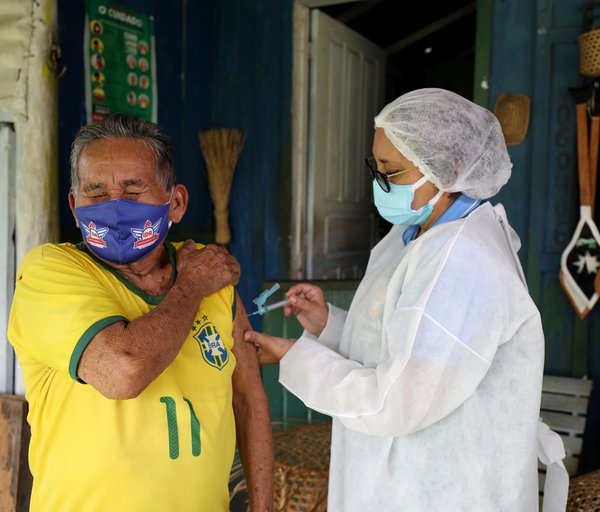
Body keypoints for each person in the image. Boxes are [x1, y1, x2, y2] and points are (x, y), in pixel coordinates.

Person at [247, 88, 568, 511]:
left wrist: (297, 357)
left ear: (448, 170)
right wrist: (329, 324)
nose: (379, 182)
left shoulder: (463, 263)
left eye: (392, 171)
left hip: (445, 489)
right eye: (375, 166)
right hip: (402, 478)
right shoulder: (413, 235)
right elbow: (403, 341)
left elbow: (399, 399)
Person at [7, 114, 274, 511]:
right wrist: (192, 286)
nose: (114, 208)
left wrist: (263, 505)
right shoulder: (47, 273)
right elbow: (123, 370)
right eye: (95, 193)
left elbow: (249, 400)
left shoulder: (214, 284)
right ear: (74, 205)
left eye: (133, 191)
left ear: (176, 203)